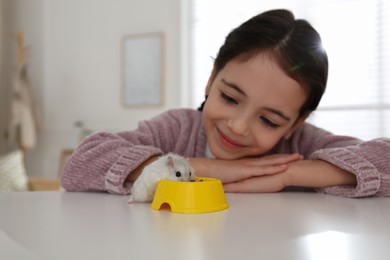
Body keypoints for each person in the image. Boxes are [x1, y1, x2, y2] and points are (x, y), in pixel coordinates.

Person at [60, 9, 390, 198]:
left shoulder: (300, 144)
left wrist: (288, 173)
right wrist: (201, 169)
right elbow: (80, 165)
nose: (238, 126)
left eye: (270, 121)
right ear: (211, 78)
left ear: (295, 123)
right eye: (230, 98)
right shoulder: (177, 129)